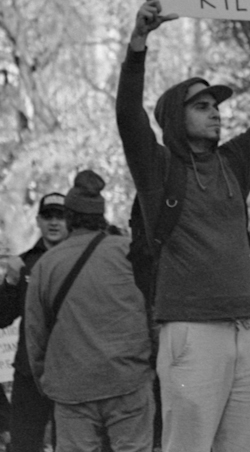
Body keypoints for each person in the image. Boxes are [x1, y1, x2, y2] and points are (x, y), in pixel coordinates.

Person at [115, 0, 250, 452]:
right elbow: (128, 116)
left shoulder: (234, 162)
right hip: (190, 331)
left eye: (217, 106)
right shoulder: (158, 168)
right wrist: (137, 44)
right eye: (202, 106)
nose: (216, 113)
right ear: (174, 117)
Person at [24, 170, 154, 452]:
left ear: (69, 217)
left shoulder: (46, 265)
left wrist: (46, 381)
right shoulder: (128, 253)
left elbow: (35, 334)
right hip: (127, 379)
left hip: (72, 387)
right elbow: (152, 312)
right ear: (101, 216)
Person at [0, 192, 71, 452]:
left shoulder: (81, 260)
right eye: (48, 216)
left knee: (72, 444)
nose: (54, 222)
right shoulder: (23, 263)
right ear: (38, 220)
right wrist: (10, 283)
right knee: (23, 444)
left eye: (60, 216)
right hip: (29, 372)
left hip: (71, 371)